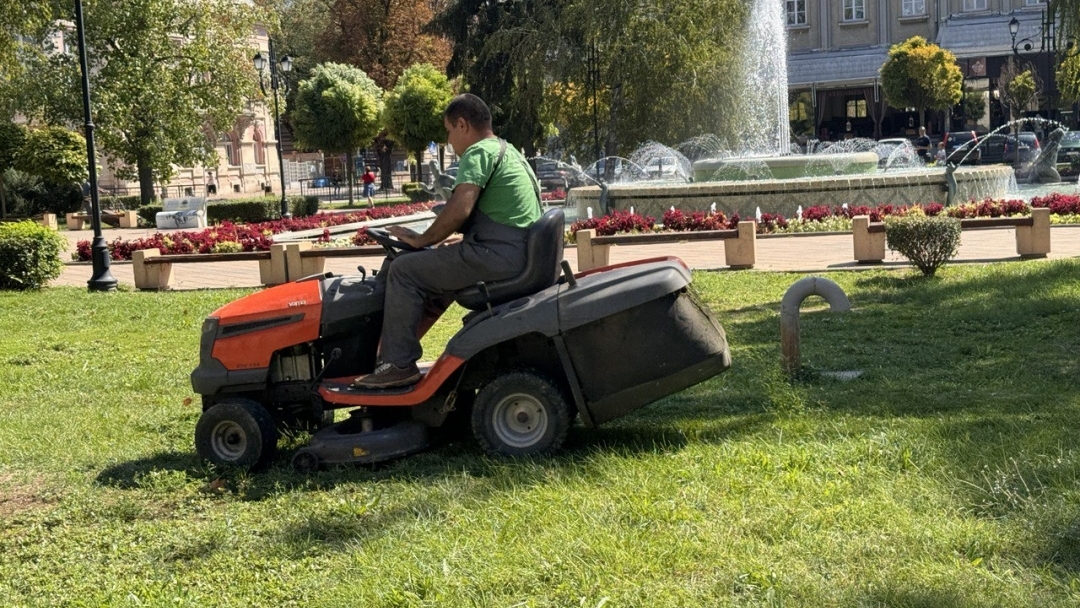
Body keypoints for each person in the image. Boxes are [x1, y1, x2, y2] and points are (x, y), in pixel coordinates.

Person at [355, 93, 542, 388]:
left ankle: (396, 364)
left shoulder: (478, 153)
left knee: (404, 269)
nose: (449, 139)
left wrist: (422, 239)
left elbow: (459, 208)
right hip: (515, 253)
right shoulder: (508, 151)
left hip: (498, 257)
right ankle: (390, 356)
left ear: (462, 124)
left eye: (448, 130)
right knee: (431, 260)